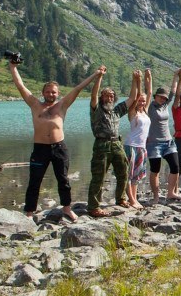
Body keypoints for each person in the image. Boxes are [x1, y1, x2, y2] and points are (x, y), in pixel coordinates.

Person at [9, 59, 100, 221]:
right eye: (48, 92)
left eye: (54, 92)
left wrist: (96, 74)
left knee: (63, 179)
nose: (51, 94)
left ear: (58, 94)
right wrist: (13, 67)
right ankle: (29, 212)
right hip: (40, 149)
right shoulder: (35, 105)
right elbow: (20, 86)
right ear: (43, 93)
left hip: (59, 148)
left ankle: (66, 208)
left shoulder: (62, 105)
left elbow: (78, 88)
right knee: (34, 181)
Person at [87, 66, 129, 217]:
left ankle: (121, 198)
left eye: (111, 96)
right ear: (101, 98)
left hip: (117, 143)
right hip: (101, 145)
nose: (109, 98)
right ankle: (93, 207)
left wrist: (138, 80)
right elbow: (93, 95)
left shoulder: (116, 111)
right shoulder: (97, 110)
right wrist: (99, 77)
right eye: (106, 95)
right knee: (98, 176)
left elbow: (132, 99)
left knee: (123, 172)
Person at [144, 68, 181, 203]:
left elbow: (173, 91)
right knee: (155, 170)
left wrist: (177, 77)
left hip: (168, 142)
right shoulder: (149, 107)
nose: (163, 99)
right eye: (160, 96)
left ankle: (171, 193)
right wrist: (148, 77)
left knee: (175, 166)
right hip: (154, 143)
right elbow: (148, 91)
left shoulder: (165, 105)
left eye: (164, 97)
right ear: (155, 96)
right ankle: (156, 196)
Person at [124, 71, 148, 209]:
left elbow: (149, 92)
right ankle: (132, 200)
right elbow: (134, 97)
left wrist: (146, 79)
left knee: (136, 176)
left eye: (143, 101)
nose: (141, 102)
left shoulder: (145, 111)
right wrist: (137, 81)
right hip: (131, 146)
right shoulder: (132, 112)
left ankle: (134, 199)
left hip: (142, 147)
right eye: (140, 100)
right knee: (129, 175)